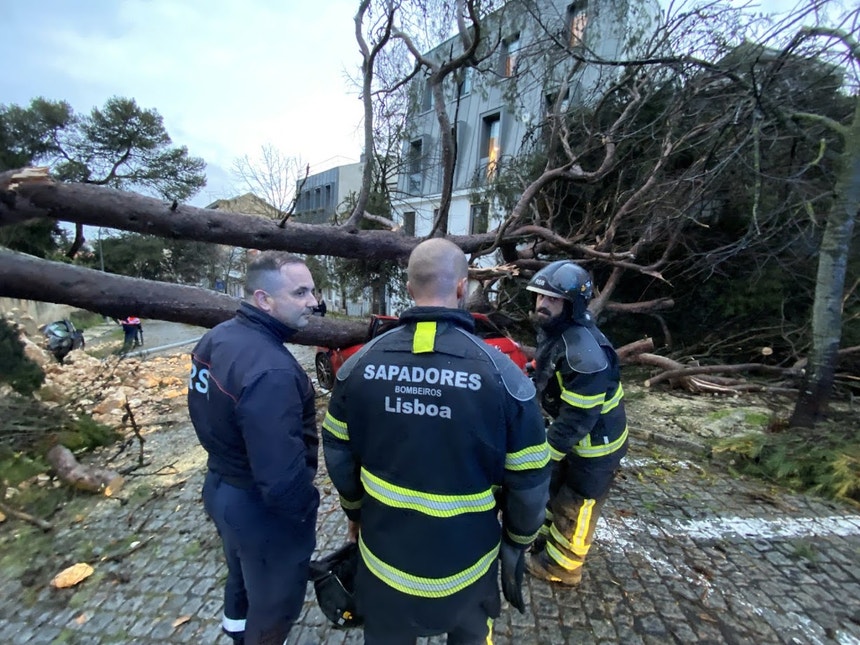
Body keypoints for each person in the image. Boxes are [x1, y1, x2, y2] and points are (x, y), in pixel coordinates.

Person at [322, 238, 550, 644]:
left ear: (409, 289)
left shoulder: (357, 367)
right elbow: (530, 479)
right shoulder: (505, 377)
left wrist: (354, 512)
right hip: (469, 571)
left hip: (384, 568)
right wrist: (517, 540)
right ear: (462, 287)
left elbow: (338, 455)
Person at [187, 251, 320, 645]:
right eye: (300, 293)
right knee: (275, 604)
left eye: (312, 291)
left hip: (221, 488)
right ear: (264, 299)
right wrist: (303, 513)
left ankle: (235, 633)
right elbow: (280, 477)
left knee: (242, 577)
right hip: (260, 509)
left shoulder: (218, 336)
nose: (313, 302)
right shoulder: (272, 371)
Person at [524, 260, 628, 586]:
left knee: (576, 504)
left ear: (573, 305)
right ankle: (545, 544)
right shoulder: (559, 331)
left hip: (596, 448)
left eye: (553, 299)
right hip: (576, 440)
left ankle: (563, 567)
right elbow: (551, 370)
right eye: (540, 296)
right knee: (554, 492)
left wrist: (545, 455)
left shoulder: (585, 354)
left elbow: (577, 419)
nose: (542, 304)